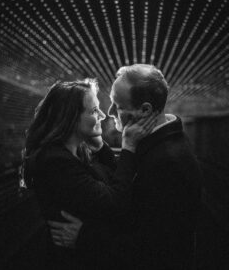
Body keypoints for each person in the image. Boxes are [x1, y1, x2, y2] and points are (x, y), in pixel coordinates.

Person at [49, 64, 202, 270]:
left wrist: (84, 236)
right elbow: (126, 181)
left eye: (118, 106)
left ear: (145, 110)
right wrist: (103, 149)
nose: (109, 113)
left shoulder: (169, 163)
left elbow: (157, 248)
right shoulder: (158, 142)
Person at [22, 79, 156, 270]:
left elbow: (115, 180)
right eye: (94, 111)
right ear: (70, 118)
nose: (102, 115)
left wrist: (102, 148)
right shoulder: (55, 161)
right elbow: (115, 202)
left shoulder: (76, 151)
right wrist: (129, 147)